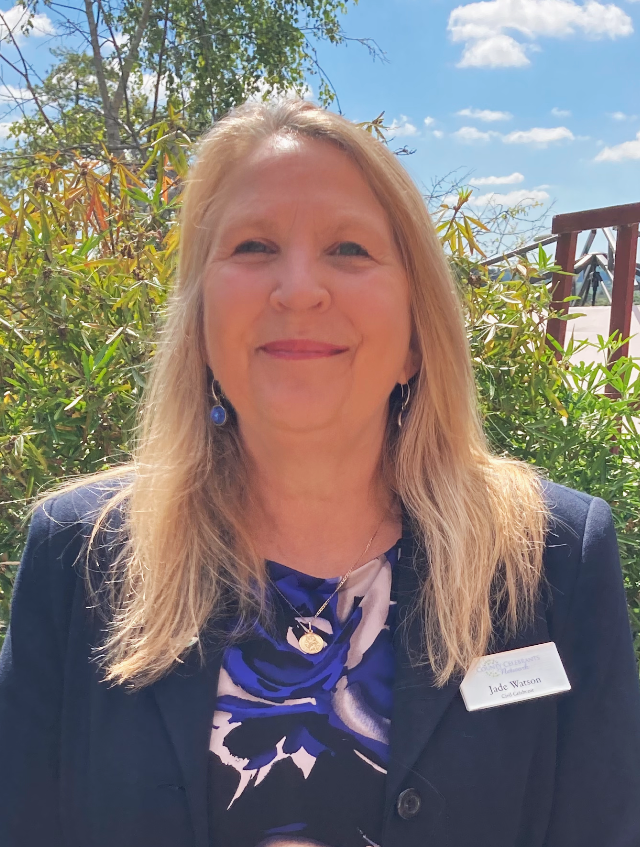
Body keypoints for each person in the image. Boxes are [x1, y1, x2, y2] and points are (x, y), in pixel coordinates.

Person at [1, 99, 639, 847]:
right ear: (201, 322)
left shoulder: (553, 557)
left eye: (348, 250)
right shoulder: (80, 555)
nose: (299, 288)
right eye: (252, 246)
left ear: (414, 335)